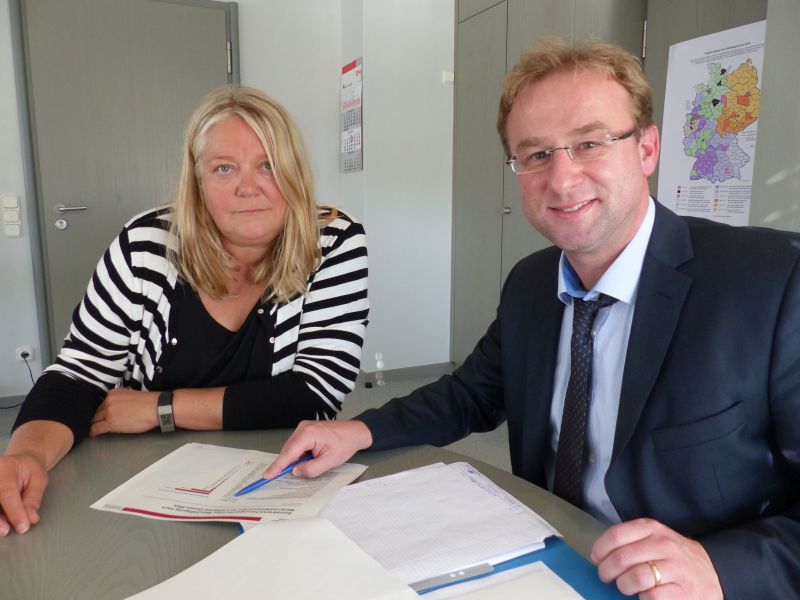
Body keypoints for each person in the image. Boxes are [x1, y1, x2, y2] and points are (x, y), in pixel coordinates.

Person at [265, 37, 800, 599]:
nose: (562, 180)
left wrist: (723, 569)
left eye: (589, 142)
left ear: (646, 149)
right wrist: (360, 428)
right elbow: (470, 394)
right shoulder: (530, 284)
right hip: (542, 564)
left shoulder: (768, 284)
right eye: (537, 154)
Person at [0, 85, 368, 536]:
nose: (248, 187)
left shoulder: (333, 242)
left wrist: (161, 408)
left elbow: (315, 392)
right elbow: (79, 375)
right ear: (196, 182)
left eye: (268, 165)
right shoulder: (143, 246)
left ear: (295, 172)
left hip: (280, 475)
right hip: (139, 477)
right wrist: (25, 457)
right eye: (224, 168)